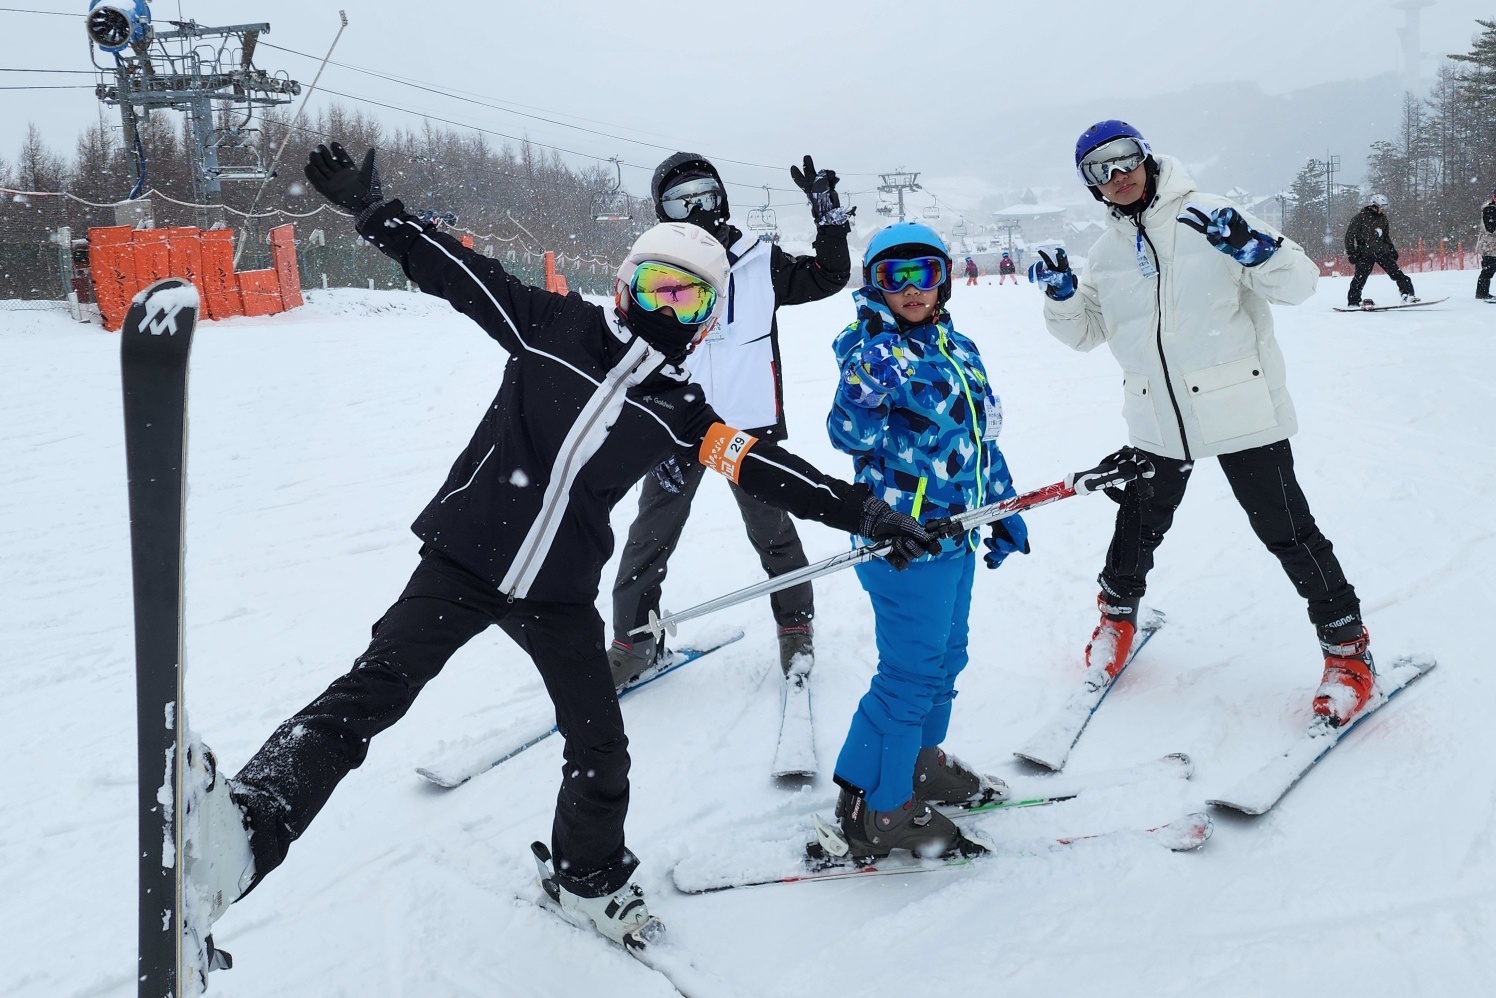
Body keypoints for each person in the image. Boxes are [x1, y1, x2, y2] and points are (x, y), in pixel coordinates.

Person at [182, 141, 942, 961]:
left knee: (600, 744)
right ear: (625, 286)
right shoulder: (553, 326)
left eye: (691, 297)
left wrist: (868, 512)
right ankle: (248, 831)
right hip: (463, 564)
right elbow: (463, 276)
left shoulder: (684, 412)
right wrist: (377, 213)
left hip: (557, 596)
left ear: (710, 316)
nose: (670, 305)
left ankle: (589, 878)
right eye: (657, 285)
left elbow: (766, 465)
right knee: (372, 693)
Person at [1029, 120, 1376, 729]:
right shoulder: (1107, 254)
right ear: (1090, 184)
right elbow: (1086, 333)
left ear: (1145, 155)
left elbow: (1300, 284)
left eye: (1123, 159)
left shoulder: (1211, 216)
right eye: (1098, 170)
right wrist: (1062, 298)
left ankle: (1348, 650)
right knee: (1137, 525)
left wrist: (1256, 250)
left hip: (1238, 408)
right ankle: (1116, 619)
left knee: (1288, 529)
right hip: (1156, 417)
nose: (1117, 176)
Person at [607, 152, 854, 686]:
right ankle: (633, 645)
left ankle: (796, 630)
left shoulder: (760, 262)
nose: (697, 210)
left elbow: (831, 275)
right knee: (649, 538)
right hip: (679, 426)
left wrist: (829, 221)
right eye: (681, 201)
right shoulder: (657, 270)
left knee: (774, 534)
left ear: (723, 198)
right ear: (661, 212)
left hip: (746, 429)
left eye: (705, 195)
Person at [827, 221, 1029, 859]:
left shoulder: (957, 343)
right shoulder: (868, 351)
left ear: (944, 278)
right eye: (895, 277)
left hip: (958, 532)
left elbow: (979, 436)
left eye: (926, 274)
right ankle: (882, 807)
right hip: (904, 541)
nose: (912, 290)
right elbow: (846, 435)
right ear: (874, 285)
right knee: (909, 675)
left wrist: (1002, 506)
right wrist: (874, 377)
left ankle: (921, 764)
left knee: (945, 661)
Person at [1344, 193, 1418, 307]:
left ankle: (1407, 295)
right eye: (1381, 207)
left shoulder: (1383, 218)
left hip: (1382, 252)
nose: (1383, 209)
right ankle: (1353, 301)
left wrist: (1391, 249)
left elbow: (1385, 236)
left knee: (1398, 274)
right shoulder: (1360, 218)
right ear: (1374, 206)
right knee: (1359, 279)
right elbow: (1349, 237)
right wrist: (1352, 253)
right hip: (1364, 254)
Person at [1476, 186, 1496, 301]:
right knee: (1488, 270)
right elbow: (1491, 228)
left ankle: (1482, 292)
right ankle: (1482, 293)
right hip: (1489, 246)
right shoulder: (1489, 209)